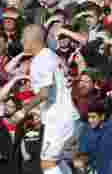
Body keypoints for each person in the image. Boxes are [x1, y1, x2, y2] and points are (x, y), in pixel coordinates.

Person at [21, 24, 79, 174]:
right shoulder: (51, 55)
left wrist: (23, 110)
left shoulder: (41, 60)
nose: (21, 41)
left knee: (47, 163)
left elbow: (44, 93)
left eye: (23, 38)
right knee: (57, 161)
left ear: (32, 40)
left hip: (58, 118)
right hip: (64, 115)